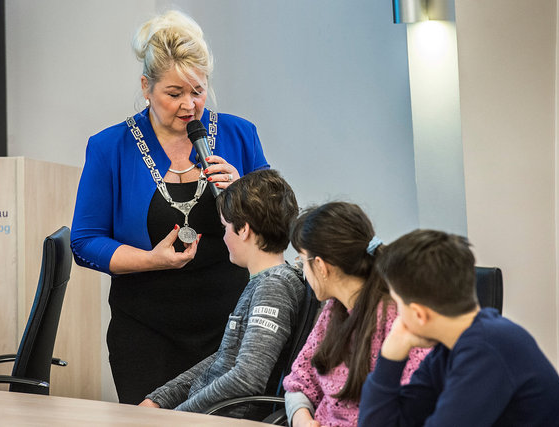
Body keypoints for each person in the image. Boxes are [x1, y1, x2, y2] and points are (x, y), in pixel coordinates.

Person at [70, 10, 269, 404]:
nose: (189, 105)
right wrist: (151, 260)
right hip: (145, 331)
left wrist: (244, 193)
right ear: (146, 87)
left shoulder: (238, 134)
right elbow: (85, 241)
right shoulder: (110, 147)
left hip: (230, 327)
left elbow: (277, 226)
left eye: (197, 91)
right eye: (174, 94)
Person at [358, 229, 559, 426]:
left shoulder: (488, 349)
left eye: (397, 302)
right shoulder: (448, 349)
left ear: (419, 314)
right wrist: (391, 354)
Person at [138, 169, 305, 416]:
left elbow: (247, 378)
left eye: (225, 227)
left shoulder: (274, 287)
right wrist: (159, 400)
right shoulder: (264, 281)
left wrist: (178, 416)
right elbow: (224, 357)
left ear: (244, 229)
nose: (224, 236)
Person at [283, 202, 429, 427]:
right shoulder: (334, 310)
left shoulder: (397, 322)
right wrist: (301, 418)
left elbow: (413, 410)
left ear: (321, 266)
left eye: (302, 261)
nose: (303, 270)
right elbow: (298, 384)